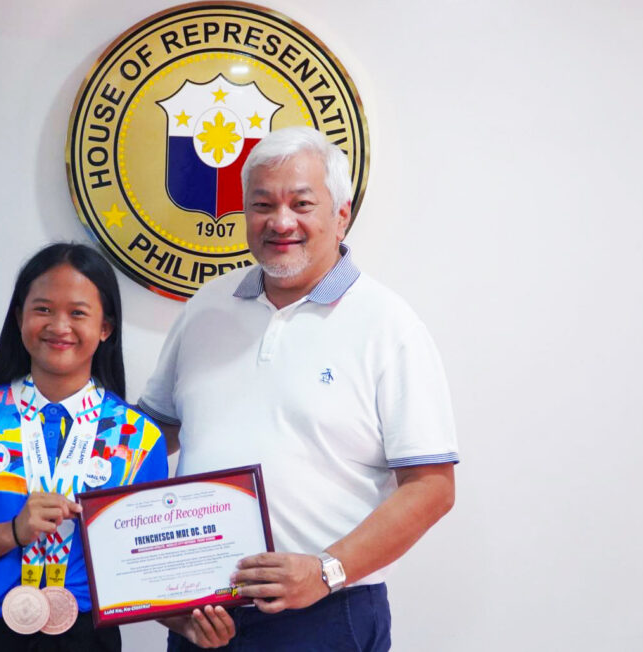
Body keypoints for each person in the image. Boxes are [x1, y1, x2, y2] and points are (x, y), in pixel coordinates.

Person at [140, 127, 459, 651]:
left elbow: (432, 486)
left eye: (301, 203)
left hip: (326, 614)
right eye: (262, 204)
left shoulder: (388, 324)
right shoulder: (206, 307)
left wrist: (326, 571)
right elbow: (149, 433)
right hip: (206, 612)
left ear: (341, 215)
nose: (280, 221)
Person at [0, 243, 226, 651]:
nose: (59, 326)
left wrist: (189, 622)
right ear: (19, 317)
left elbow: (139, 570)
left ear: (105, 327)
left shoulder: (138, 438)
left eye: (77, 313)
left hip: (85, 637)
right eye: (43, 309)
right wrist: (13, 532)